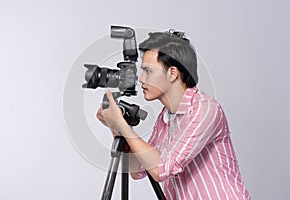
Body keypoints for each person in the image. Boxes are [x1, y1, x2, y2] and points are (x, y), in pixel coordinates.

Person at [97, 30, 250, 200]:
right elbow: (138, 170)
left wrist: (122, 124)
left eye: (148, 71)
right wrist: (116, 127)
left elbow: (161, 169)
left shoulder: (205, 109)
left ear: (172, 73)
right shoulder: (165, 118)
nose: (140, 79)